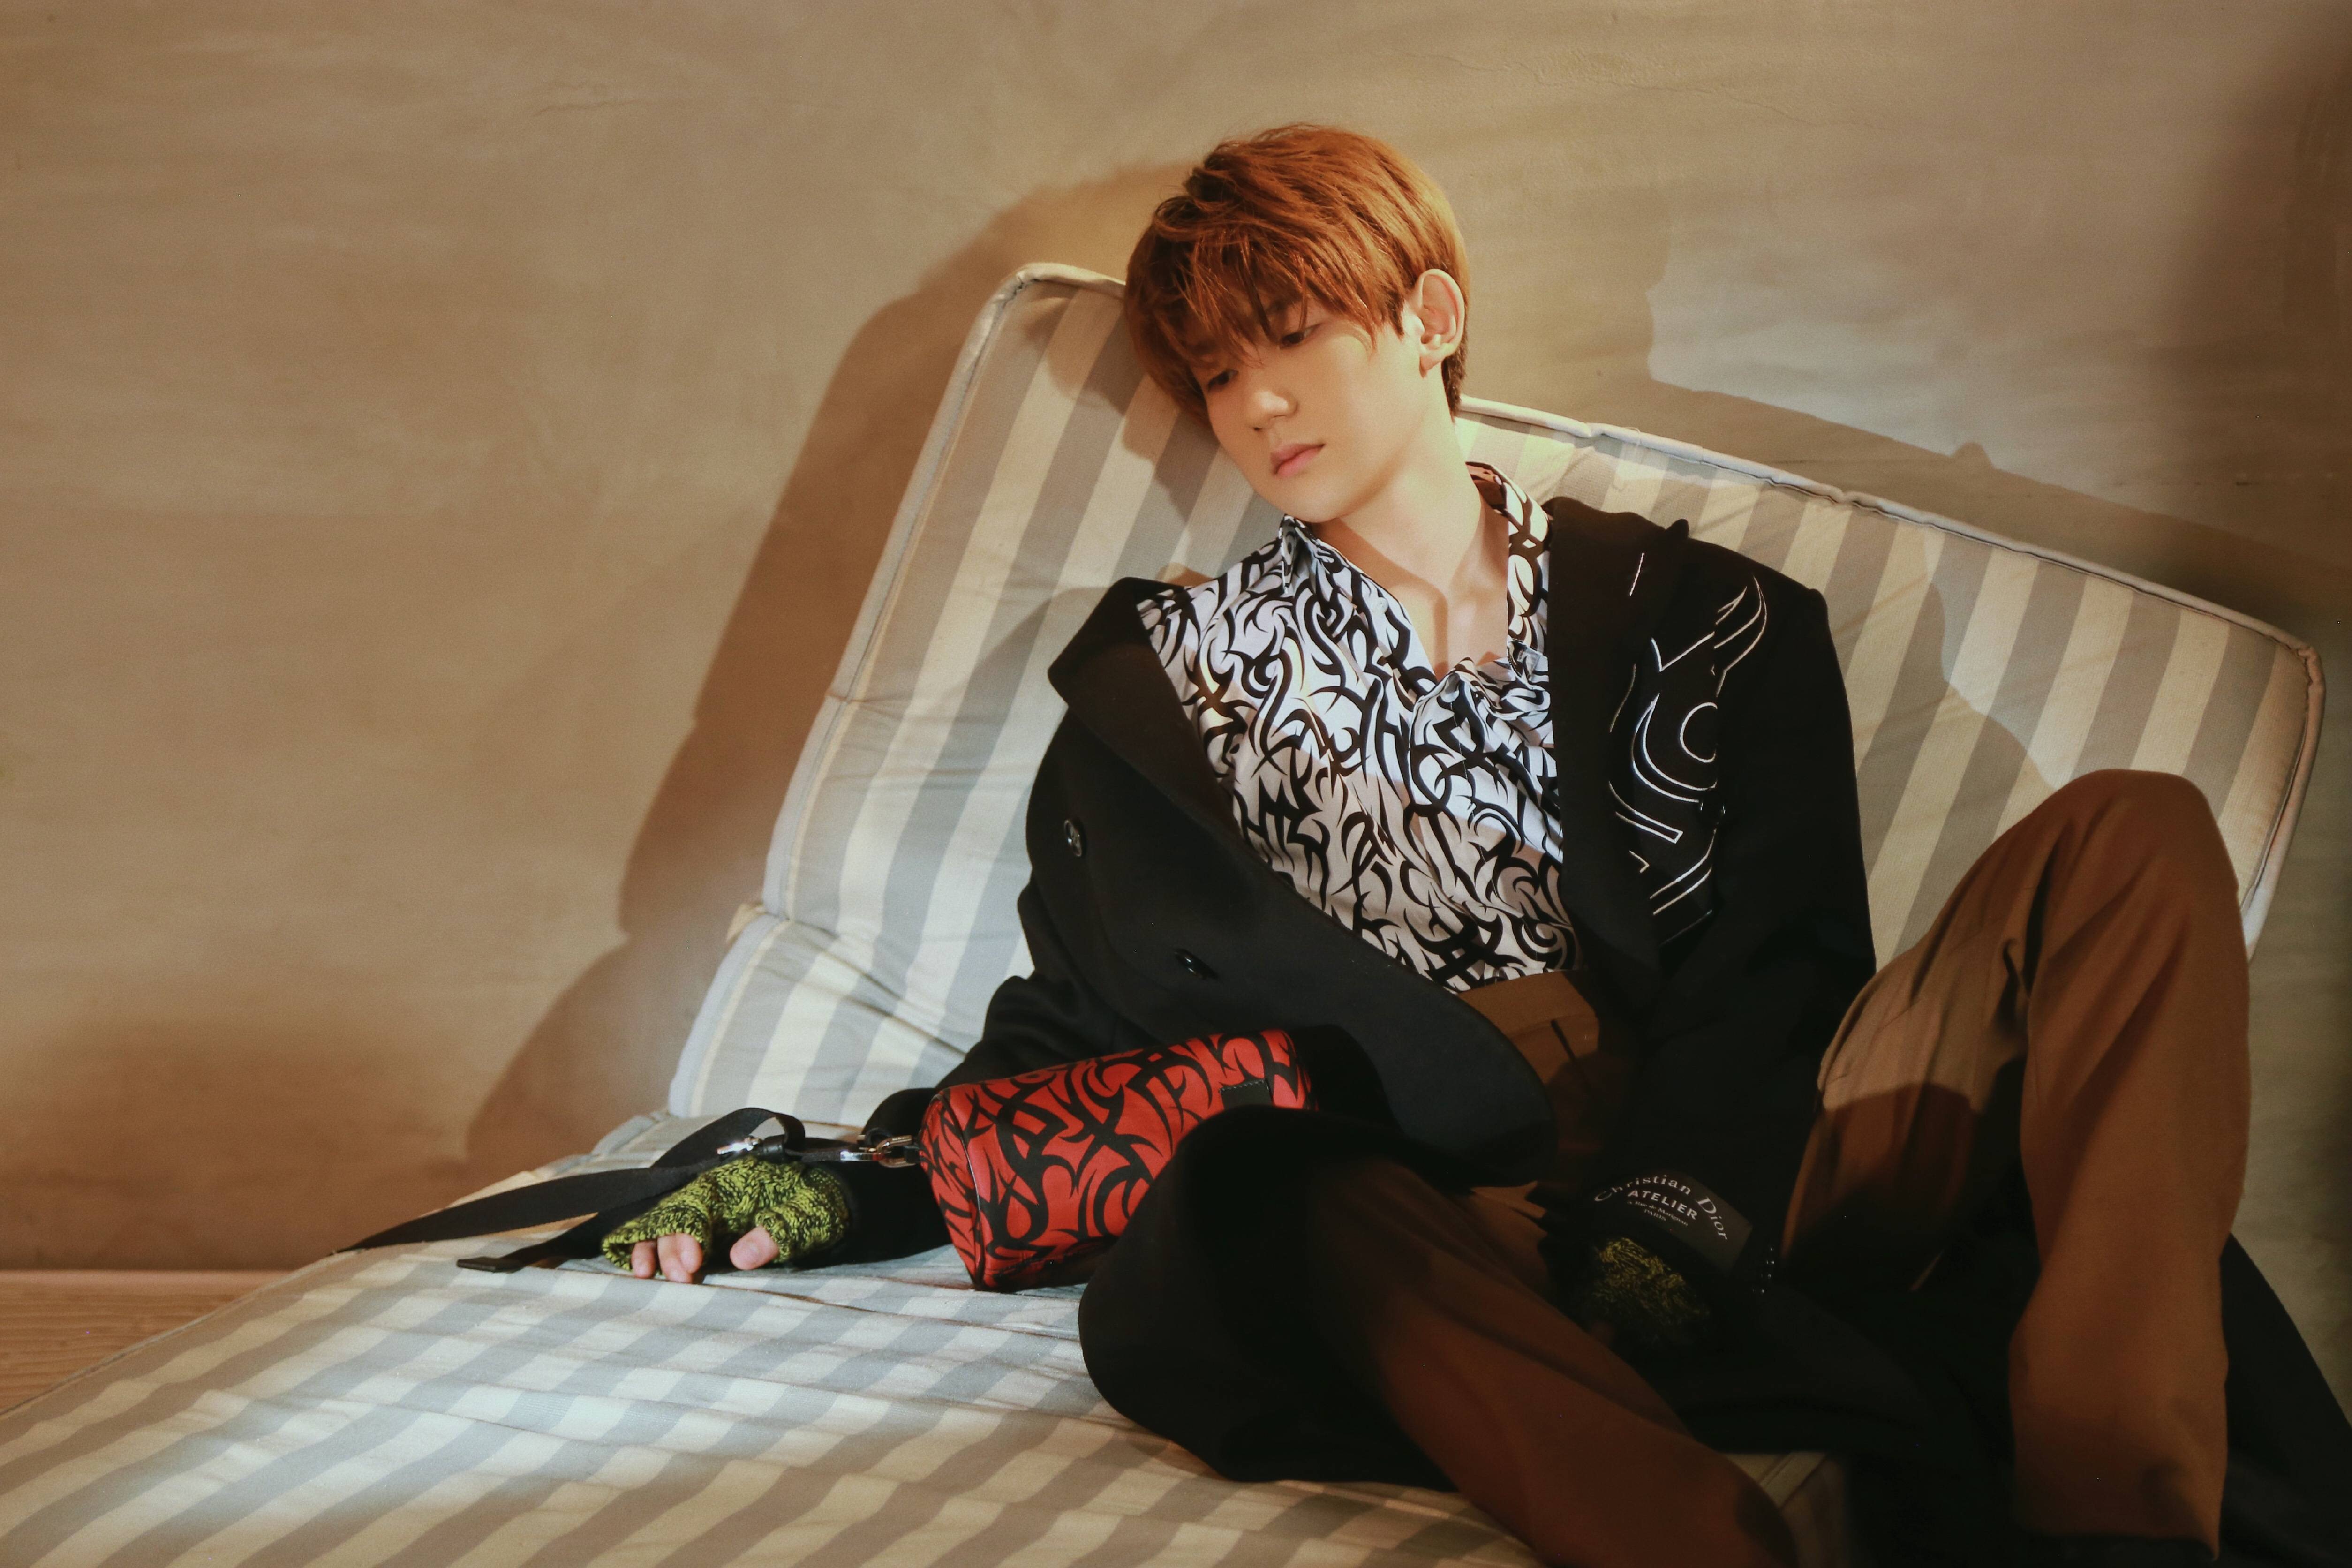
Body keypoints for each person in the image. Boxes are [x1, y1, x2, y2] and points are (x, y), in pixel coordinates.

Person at [602, 126, 2345, 1567]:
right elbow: (1075, 1029)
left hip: (1762, 1149)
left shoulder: (1712, 617)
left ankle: (2120, 1526)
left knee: (2138, 828)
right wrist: (854, 1184)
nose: (1256, 403)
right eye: (1217, 372)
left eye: (1294, 335)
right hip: (1452, 1206)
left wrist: (1680, 1207)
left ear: (1428, 316)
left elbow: (1791, 958)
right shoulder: (1167, 690)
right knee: (1264, 1184)